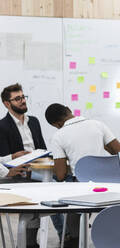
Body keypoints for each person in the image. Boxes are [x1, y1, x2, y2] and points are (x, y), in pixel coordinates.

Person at [45, 103, 120, 247]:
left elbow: (61, 175)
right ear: (69, 110)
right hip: (110, 187)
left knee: (57, 187)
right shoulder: (98, 124)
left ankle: (72, 238)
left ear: (57, 124)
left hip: (82, 189)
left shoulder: (58, 136)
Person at [0, 83, 47, 248]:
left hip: (38, 171)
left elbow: (42, 147)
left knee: (62, 182)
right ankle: (28, 241)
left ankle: (67, 235)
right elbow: (3, 158)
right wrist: (13, 166)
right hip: (17, 175)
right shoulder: (2, 126)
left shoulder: (33, 121)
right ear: (7, 104)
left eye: (23, 97)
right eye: (17, 98)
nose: (22, 101)